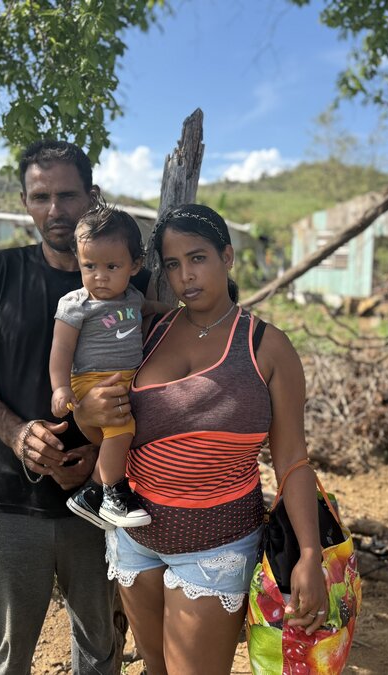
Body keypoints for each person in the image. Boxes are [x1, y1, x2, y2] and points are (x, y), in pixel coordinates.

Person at [104, 204, 328, 675]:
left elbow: (292, 460)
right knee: (156, 669)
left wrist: (310, 553)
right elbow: (106, 421)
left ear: (227, 256)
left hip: (217, 546)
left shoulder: (267, 347)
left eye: (198, 257)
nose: (185, 275)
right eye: (172, 264)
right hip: (136, 539)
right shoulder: (147, 332)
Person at [0, 140, 138, 675]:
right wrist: (16, 433)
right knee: (7, 659)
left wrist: (98, 457)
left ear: (91, 196)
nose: (56, 210)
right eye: (40, 196)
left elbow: (161, 386)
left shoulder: (128, 283)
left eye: (68, 195)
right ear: (26, 201)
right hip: (12, 503)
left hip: (101, 507)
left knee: (101, 652)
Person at [49, 203, 160, 528]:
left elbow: (148, 307)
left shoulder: (132, 298)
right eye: (90, 266)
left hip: (128, 378)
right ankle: (114, 495)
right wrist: (60, 387)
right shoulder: (76, 304)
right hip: (93, 381)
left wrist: (174, 310)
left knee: (129, 432)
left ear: (134, 265)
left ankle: (90, 495)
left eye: (112, 266)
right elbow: (61, 349)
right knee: (121, 428)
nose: (99, 276)